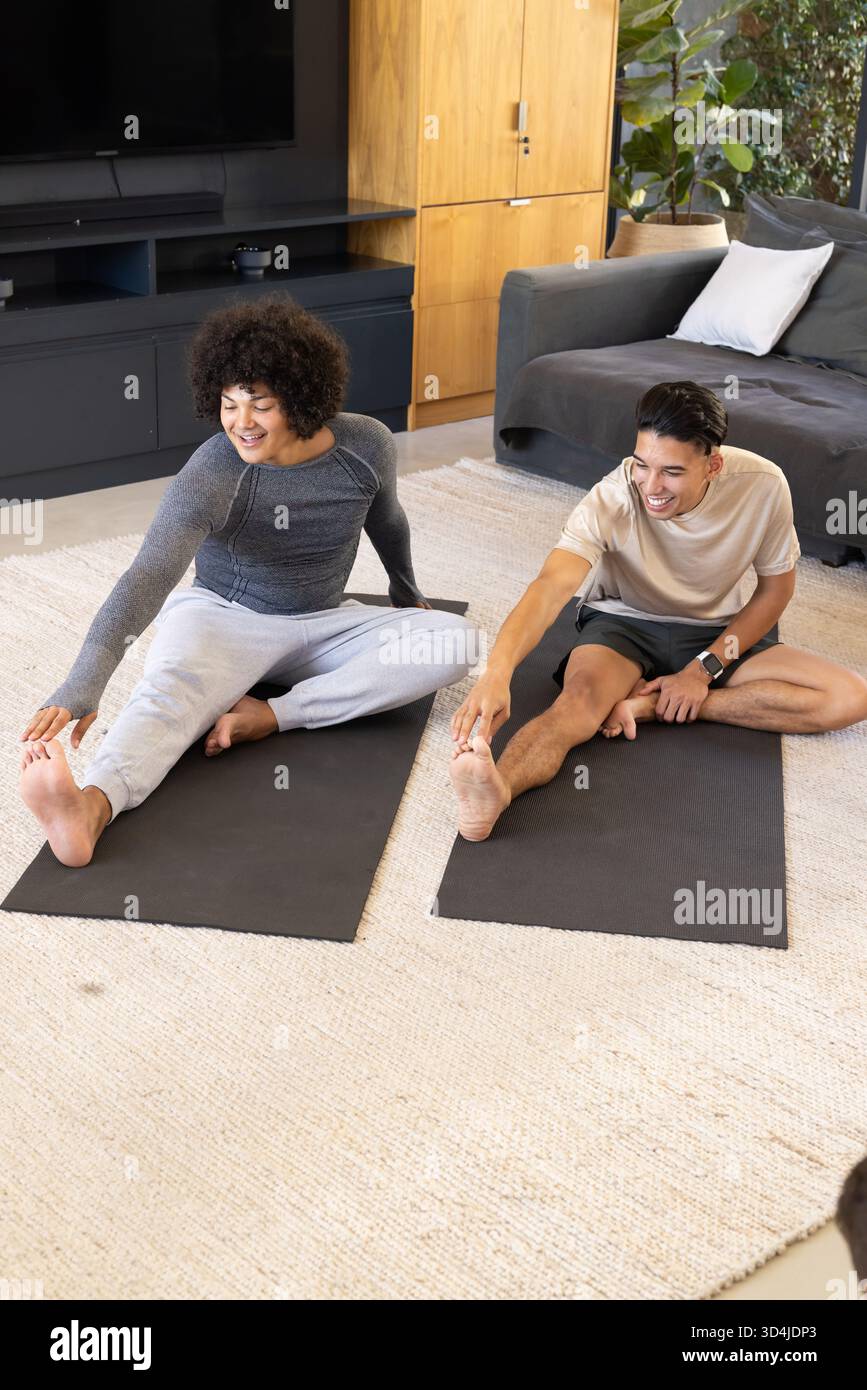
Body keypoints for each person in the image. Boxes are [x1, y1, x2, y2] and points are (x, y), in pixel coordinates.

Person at [20, 296, 477, 866]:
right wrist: (84, 683)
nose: (240, 423)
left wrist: (407, 594)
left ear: (302, 398)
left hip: (325, 621)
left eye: (259, 405)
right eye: (228, 404)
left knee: (457, 642)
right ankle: (89, 807)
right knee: (167, 698)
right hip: (223, 618)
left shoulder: (366, 445)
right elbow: (147, 577)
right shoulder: (212, 472)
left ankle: (274, 712)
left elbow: (389, 521)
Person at [449, 380, 867, 842]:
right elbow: (550, 587)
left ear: (714, 464)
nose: (651, 486)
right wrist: (497, 672)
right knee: (575, 709)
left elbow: (774, 592)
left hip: (715, 632)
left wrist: (701, 672)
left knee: (850, 697)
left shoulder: (763, 487)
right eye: (642, 464)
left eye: (671, 472)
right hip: (623, 623)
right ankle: (498, 790)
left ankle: (650, 706)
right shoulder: (612, 498)